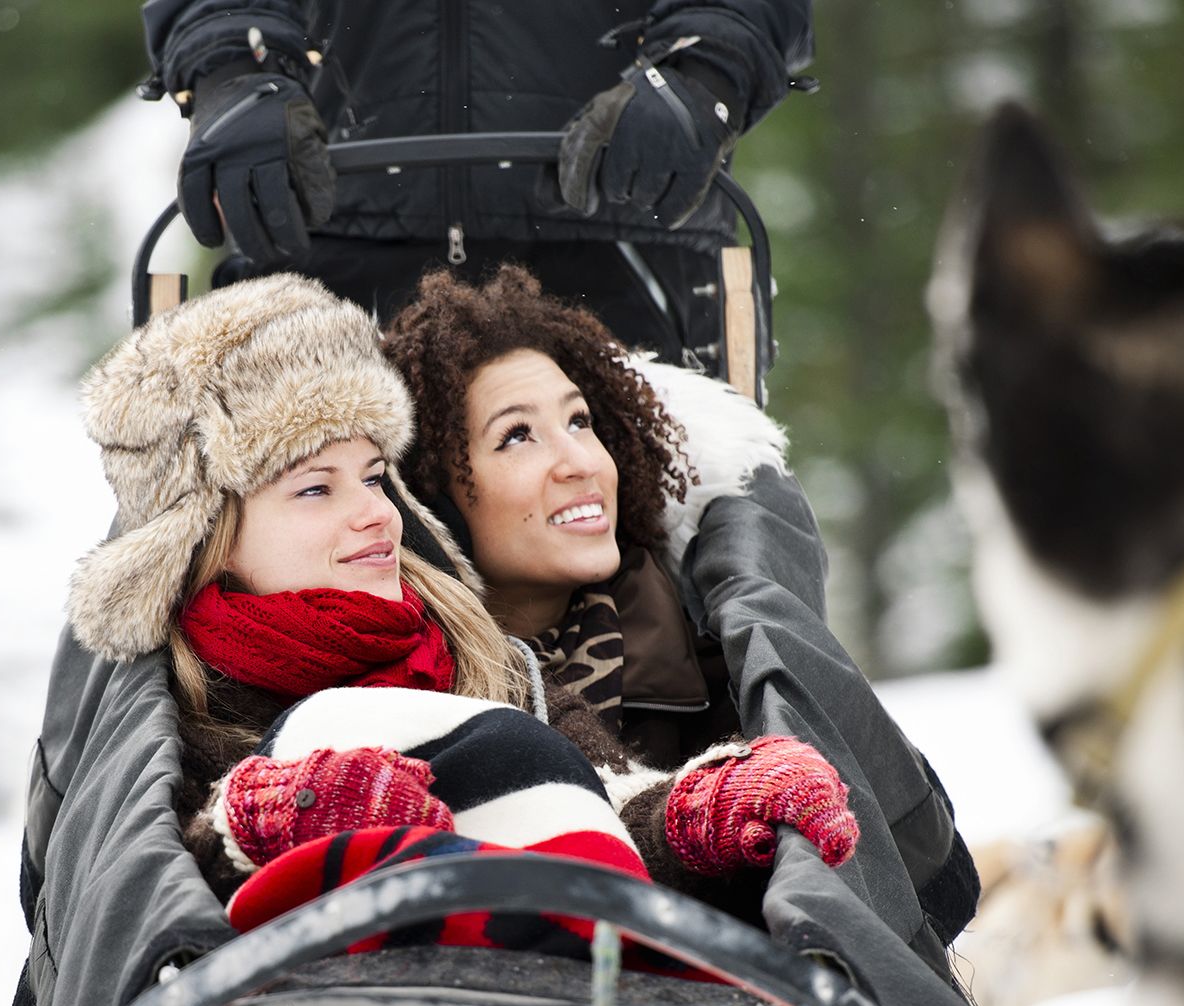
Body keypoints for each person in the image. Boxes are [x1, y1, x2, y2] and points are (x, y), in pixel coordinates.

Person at [386, 264, 1046, 1006]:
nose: (576, 464)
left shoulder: (697, 658)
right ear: (435, 490)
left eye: (579, 421)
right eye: (517, 436)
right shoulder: (395, 676)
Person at [67, 271, 862, 916]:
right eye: (317, 490)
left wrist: (695, 815)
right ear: (211, 541)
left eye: (377, 477)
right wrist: (254, 826)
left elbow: (591, 802)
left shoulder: (479, 657)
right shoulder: (187, 700)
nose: (375, 513)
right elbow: (153, 887)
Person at [139, 1, 815, 364]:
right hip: (324, 250)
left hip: (625, 240)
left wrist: (704, 74)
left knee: (710, 578)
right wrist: (232, 67)